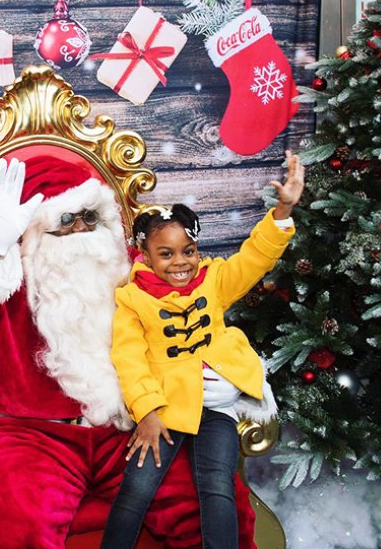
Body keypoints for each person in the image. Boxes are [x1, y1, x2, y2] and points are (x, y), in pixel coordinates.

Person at [0, 154, 260, 548]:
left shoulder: (132, 271)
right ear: (32, 228)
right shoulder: (6, 274)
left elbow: (202, 314)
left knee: (209, 505)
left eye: (90, 217)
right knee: (16, 525)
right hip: (27, 435)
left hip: (127, 426)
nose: (80, 228)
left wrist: (237, 376)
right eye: (65, 219)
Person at [102, 150, 305, 549]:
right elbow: (128, 360)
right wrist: (146, 412)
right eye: (166, 254)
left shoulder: (214, 280)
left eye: (188, 251)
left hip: (217, 404)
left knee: (217, 485)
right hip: (164, 407)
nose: (181, 263)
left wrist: (282, 210)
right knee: (136, 490)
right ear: (145, 255)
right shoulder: (131, 300)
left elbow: (254, 259)